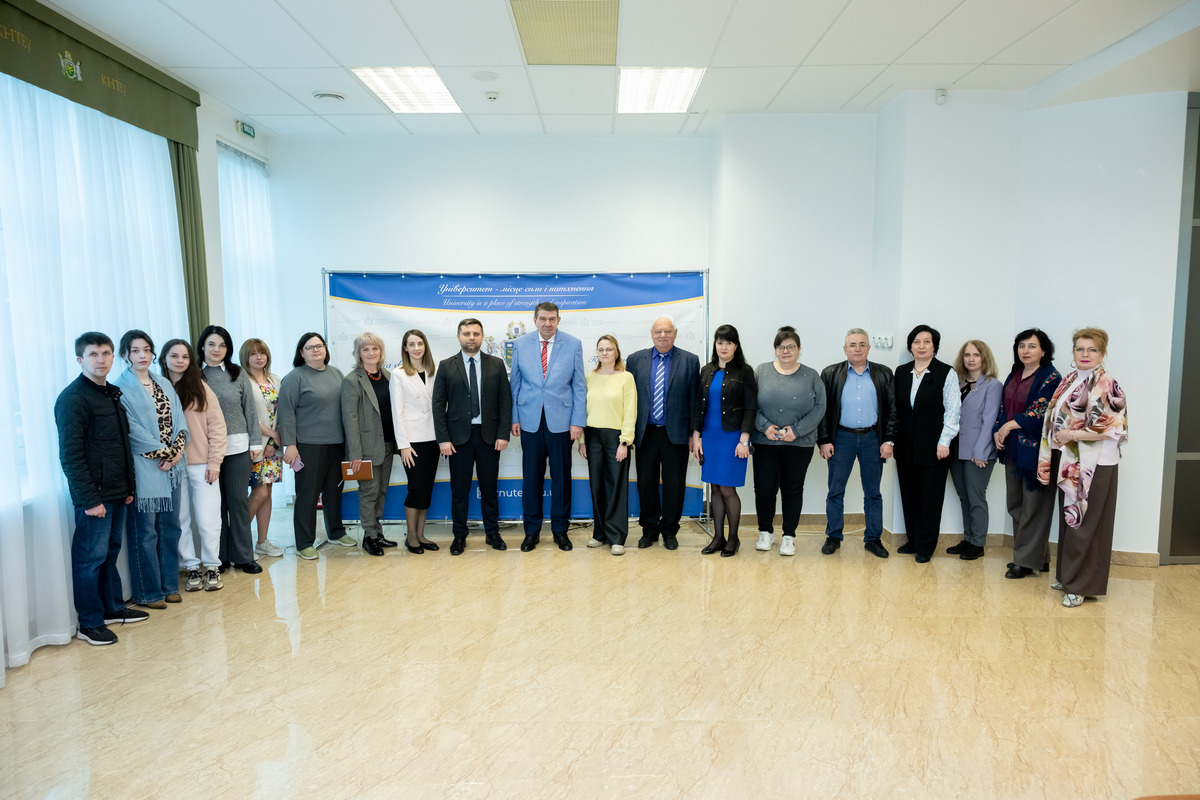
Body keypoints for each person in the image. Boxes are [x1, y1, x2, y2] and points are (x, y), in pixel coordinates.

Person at [55, 332, 148, 646]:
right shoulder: (73, 398)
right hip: (94, 496)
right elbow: (70, 455)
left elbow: (121, 446)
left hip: (117, 490)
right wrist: (89, 499)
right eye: (93, 354)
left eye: (106, 353)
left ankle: (112, 608)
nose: (101, 359)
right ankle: (89, 623)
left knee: (109, 553)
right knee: (89, 559)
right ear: (80, 359)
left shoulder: (111, 392)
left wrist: (128, 486)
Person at [1037, 328, 1127, 608]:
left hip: (1095, 464)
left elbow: (1112, 428)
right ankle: (1068, 576)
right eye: (1080, 349)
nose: (1085, 354)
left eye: (1092, 350)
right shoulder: (1070, 379)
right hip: (1070, 461)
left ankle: (1081, 586)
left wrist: (1071, 435)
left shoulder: (1108, 385)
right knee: (1071, 519)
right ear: (1073, 352)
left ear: (1102, 353)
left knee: (1087, 525)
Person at [114, 330, 188, 610]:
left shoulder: (163, 382)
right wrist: (164, 453)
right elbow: (131, 430)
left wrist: (176, 451)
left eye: (146, 349)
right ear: (126, 354)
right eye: (135, 350)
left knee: (171, 528)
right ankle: (148, 593)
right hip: (144, 468)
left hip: (172, 468)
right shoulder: (120, 388)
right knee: (145, 533)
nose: (142, 355)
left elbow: (179, 420)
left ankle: (170, 587)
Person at [509, 302, 587, 552]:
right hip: (529, 420)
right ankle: (531, 532)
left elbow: (579, 386)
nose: (547, 323)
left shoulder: (573, 344)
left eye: (552, 319)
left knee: (561, 478)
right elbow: (515, 384)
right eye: (542, 319)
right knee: (531, 478)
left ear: (558, 320)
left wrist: (577, 421)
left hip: (562, 422)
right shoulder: (521, 344)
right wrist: (514, 418)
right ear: (534, 320)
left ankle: (560, 530)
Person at [432, 318, 512, 556]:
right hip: (458, 440)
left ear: (482, 336)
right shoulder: (446, 365)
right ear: (459, 336)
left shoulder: (496, 364)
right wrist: (443, 439)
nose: (471, 338)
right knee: (459, 490)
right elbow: (438, 405)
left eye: (476, 333)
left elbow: (505, 401)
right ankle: (459, 536)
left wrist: (503, 433)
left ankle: (492, 533)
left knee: (489, 489)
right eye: (466, 333)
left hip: (489, 438)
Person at [816, 328, 897, 559]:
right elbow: (822, 411)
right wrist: (824, 440)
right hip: (841, 438)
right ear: (845, 349)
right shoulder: (830, 373)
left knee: (873, 493)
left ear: (869, 348)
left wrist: (889, 440)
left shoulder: (883, 373)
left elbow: (893, 410)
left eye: (862, 344)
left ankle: (873, 539)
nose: (857, 349)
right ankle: (833, 536)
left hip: (873, 439)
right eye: (852, 345)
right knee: (835, 491)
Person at [624, 315, 700, 551]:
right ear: (651, 334)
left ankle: (669, 530)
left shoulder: (690, 360)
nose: (663, 335)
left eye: (667, 331)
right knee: (645, 484)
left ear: (675, 333)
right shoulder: (635, 360)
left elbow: (694, 400)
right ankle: (649, 530)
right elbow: (628, 399)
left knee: (674, 485)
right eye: (658, 331)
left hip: (675, 434)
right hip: (645, 433)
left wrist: (693, 433)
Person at [993, 329, 1062, 579]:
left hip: (1037, 453)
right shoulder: (1016, 373)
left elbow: (1042, 412)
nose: (1026, 351)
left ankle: (1023, 561)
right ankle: (1038, 558)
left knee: (1034, 507)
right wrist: (998, 430)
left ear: (1043, 350)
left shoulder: (1051, 377)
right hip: (1013, 449)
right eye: (1021, 346)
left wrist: (1009, 426)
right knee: (1016, 505)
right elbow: (1003, 406)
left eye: (1032, 346)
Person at [277, 332, 351, 560]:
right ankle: (304, 543)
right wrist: (290, 445)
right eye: (310, 347)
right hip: (307, 446)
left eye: (319, 346)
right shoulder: (294, 377)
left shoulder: (336, 373)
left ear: (325, 349)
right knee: (307, 495)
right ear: (302, 352)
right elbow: (286, 414)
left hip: (336, 443)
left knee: (334, 491)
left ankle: (336, 532)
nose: (316, 350)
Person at [752, 326, 825, 556]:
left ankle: (789, 536)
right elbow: (749, 403)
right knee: (764, 489)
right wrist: (765, 426)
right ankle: (765, 532)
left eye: (791, 347)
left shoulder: (811, 375)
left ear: (799, 349)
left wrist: (798, 430)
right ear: (775, 350)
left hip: (798, 444)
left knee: (792, 489)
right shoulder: (761, 371)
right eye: (781, 347)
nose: (786, 351)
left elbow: (820, 407)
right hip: (765, 442)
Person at [160, 339, 227, 592]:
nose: (180, 361)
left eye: (185, 357)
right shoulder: (157, 388)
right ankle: (191, 566)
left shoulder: (201, 388)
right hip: (170, 466)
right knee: (180, 520)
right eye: (174, 356)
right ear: (164, 359)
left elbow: (218, 427)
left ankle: (212, 566)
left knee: (208, 519)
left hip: (203, 465)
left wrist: (215, 462)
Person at [196, 325, 263, 575]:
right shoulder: (194, 374)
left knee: (238, 503)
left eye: (222, 345)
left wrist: (255, 443)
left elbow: (250, 410)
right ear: (202, 346)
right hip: (205, 450)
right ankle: (219, 557)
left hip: (237, 448)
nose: (217, 349)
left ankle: (244, 556)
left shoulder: (237, 373)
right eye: (212, 344)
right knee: (216, 506)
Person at [894, 324, 961, 563]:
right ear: (910, 347)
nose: (921, 346)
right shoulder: (901, 372)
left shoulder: (946, 373)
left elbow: (953, 411)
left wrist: (945, 441)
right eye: (916, 342)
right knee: (909, 495)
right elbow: (896, 409)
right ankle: (912, 540)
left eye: (927, 342)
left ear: (934, 346)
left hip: (935, 447)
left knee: (930, 498)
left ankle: (925, 546)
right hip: (905, 446)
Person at [692, 324, 757, 557]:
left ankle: (733, 538)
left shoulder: (745, 371)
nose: (724, 347)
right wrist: (696, 437)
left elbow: (751, 408)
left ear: (736, 346)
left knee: (728, 489)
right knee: (715, 489)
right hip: (709, 437)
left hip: (732, 438)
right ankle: (718, 537)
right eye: (720, 342)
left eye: (729, 343)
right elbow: (698, 406)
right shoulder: (706, 370)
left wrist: (744, 440)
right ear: (715, 345)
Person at [341, 332, 397, 557]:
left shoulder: (388, 376)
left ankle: (378, 532)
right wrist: (355, 453)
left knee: (381, 490)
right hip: (365, 447)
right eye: (365, 349)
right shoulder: (352, 380)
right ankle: (369, 536)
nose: (371, 353)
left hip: (387, 444)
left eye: (375, 348)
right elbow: (350, 419)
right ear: (358, 353)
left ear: (381, 352)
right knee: (369, 492)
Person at [580, 335, 637, 555]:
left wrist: (625, 441)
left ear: (616, 352)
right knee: (597, 487)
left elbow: (631, 411)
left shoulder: (626, 377)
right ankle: (600, 533)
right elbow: (582, 411)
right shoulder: (589, 378)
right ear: (597, 353)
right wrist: (582, 441)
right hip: (592, 436)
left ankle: (617, 537)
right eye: (601, 349)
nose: (605, 353)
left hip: (616, 438)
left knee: (616, 487)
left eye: (609, 349)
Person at [947, 340, 1002, 561]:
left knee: (976, 497)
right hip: (956, 448)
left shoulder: (992, 385)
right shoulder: (957, 382)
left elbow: (989, 421)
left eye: (976, 355)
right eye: (967, 355)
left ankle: (978, 544)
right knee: (963, 497)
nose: (971, 359)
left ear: (984, 358)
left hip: (978, 451)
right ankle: (968, 539)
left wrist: (981, 452)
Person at [390, 329, 440, 553]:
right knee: (416, 488)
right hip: (412, 442)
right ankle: (411, 536)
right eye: (411, 344)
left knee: (426, 489)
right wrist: (403, 446)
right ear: (405, 348)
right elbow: (397, 412)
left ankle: (421, 535)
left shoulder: (433, 371)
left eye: (420, 343)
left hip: (433, 439)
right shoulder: (399, 374)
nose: (416, 348)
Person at [241, 338, 284, 559]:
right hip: (254, 446)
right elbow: (245, 415)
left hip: (273, 447)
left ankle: (262, 542)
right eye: (253, 353)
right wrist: (271, 436)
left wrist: (274, 442)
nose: (259, 357)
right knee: (259, 492)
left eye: (262, 353)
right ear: (245, 357)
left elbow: (283, 413)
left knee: (268, 493)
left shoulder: (275, 379)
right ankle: (239, 542)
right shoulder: (242, 380)